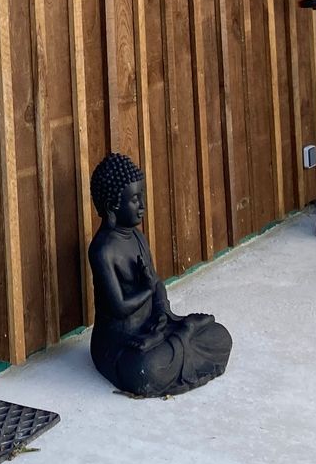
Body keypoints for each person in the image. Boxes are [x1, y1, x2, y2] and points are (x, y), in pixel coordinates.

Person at [88, 152, 232, 397]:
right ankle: (184, 336)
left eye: (141, 196)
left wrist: (164, 317)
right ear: (113, 204)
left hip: (154, 330)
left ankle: (181, 336)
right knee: (146, 369)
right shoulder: (103, 251)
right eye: (134, 199)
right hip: (120, 345)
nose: (142, 206)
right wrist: (148, 289)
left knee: (220, 337)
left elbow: (156, 286)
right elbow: (120, 307)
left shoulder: (137, 238)